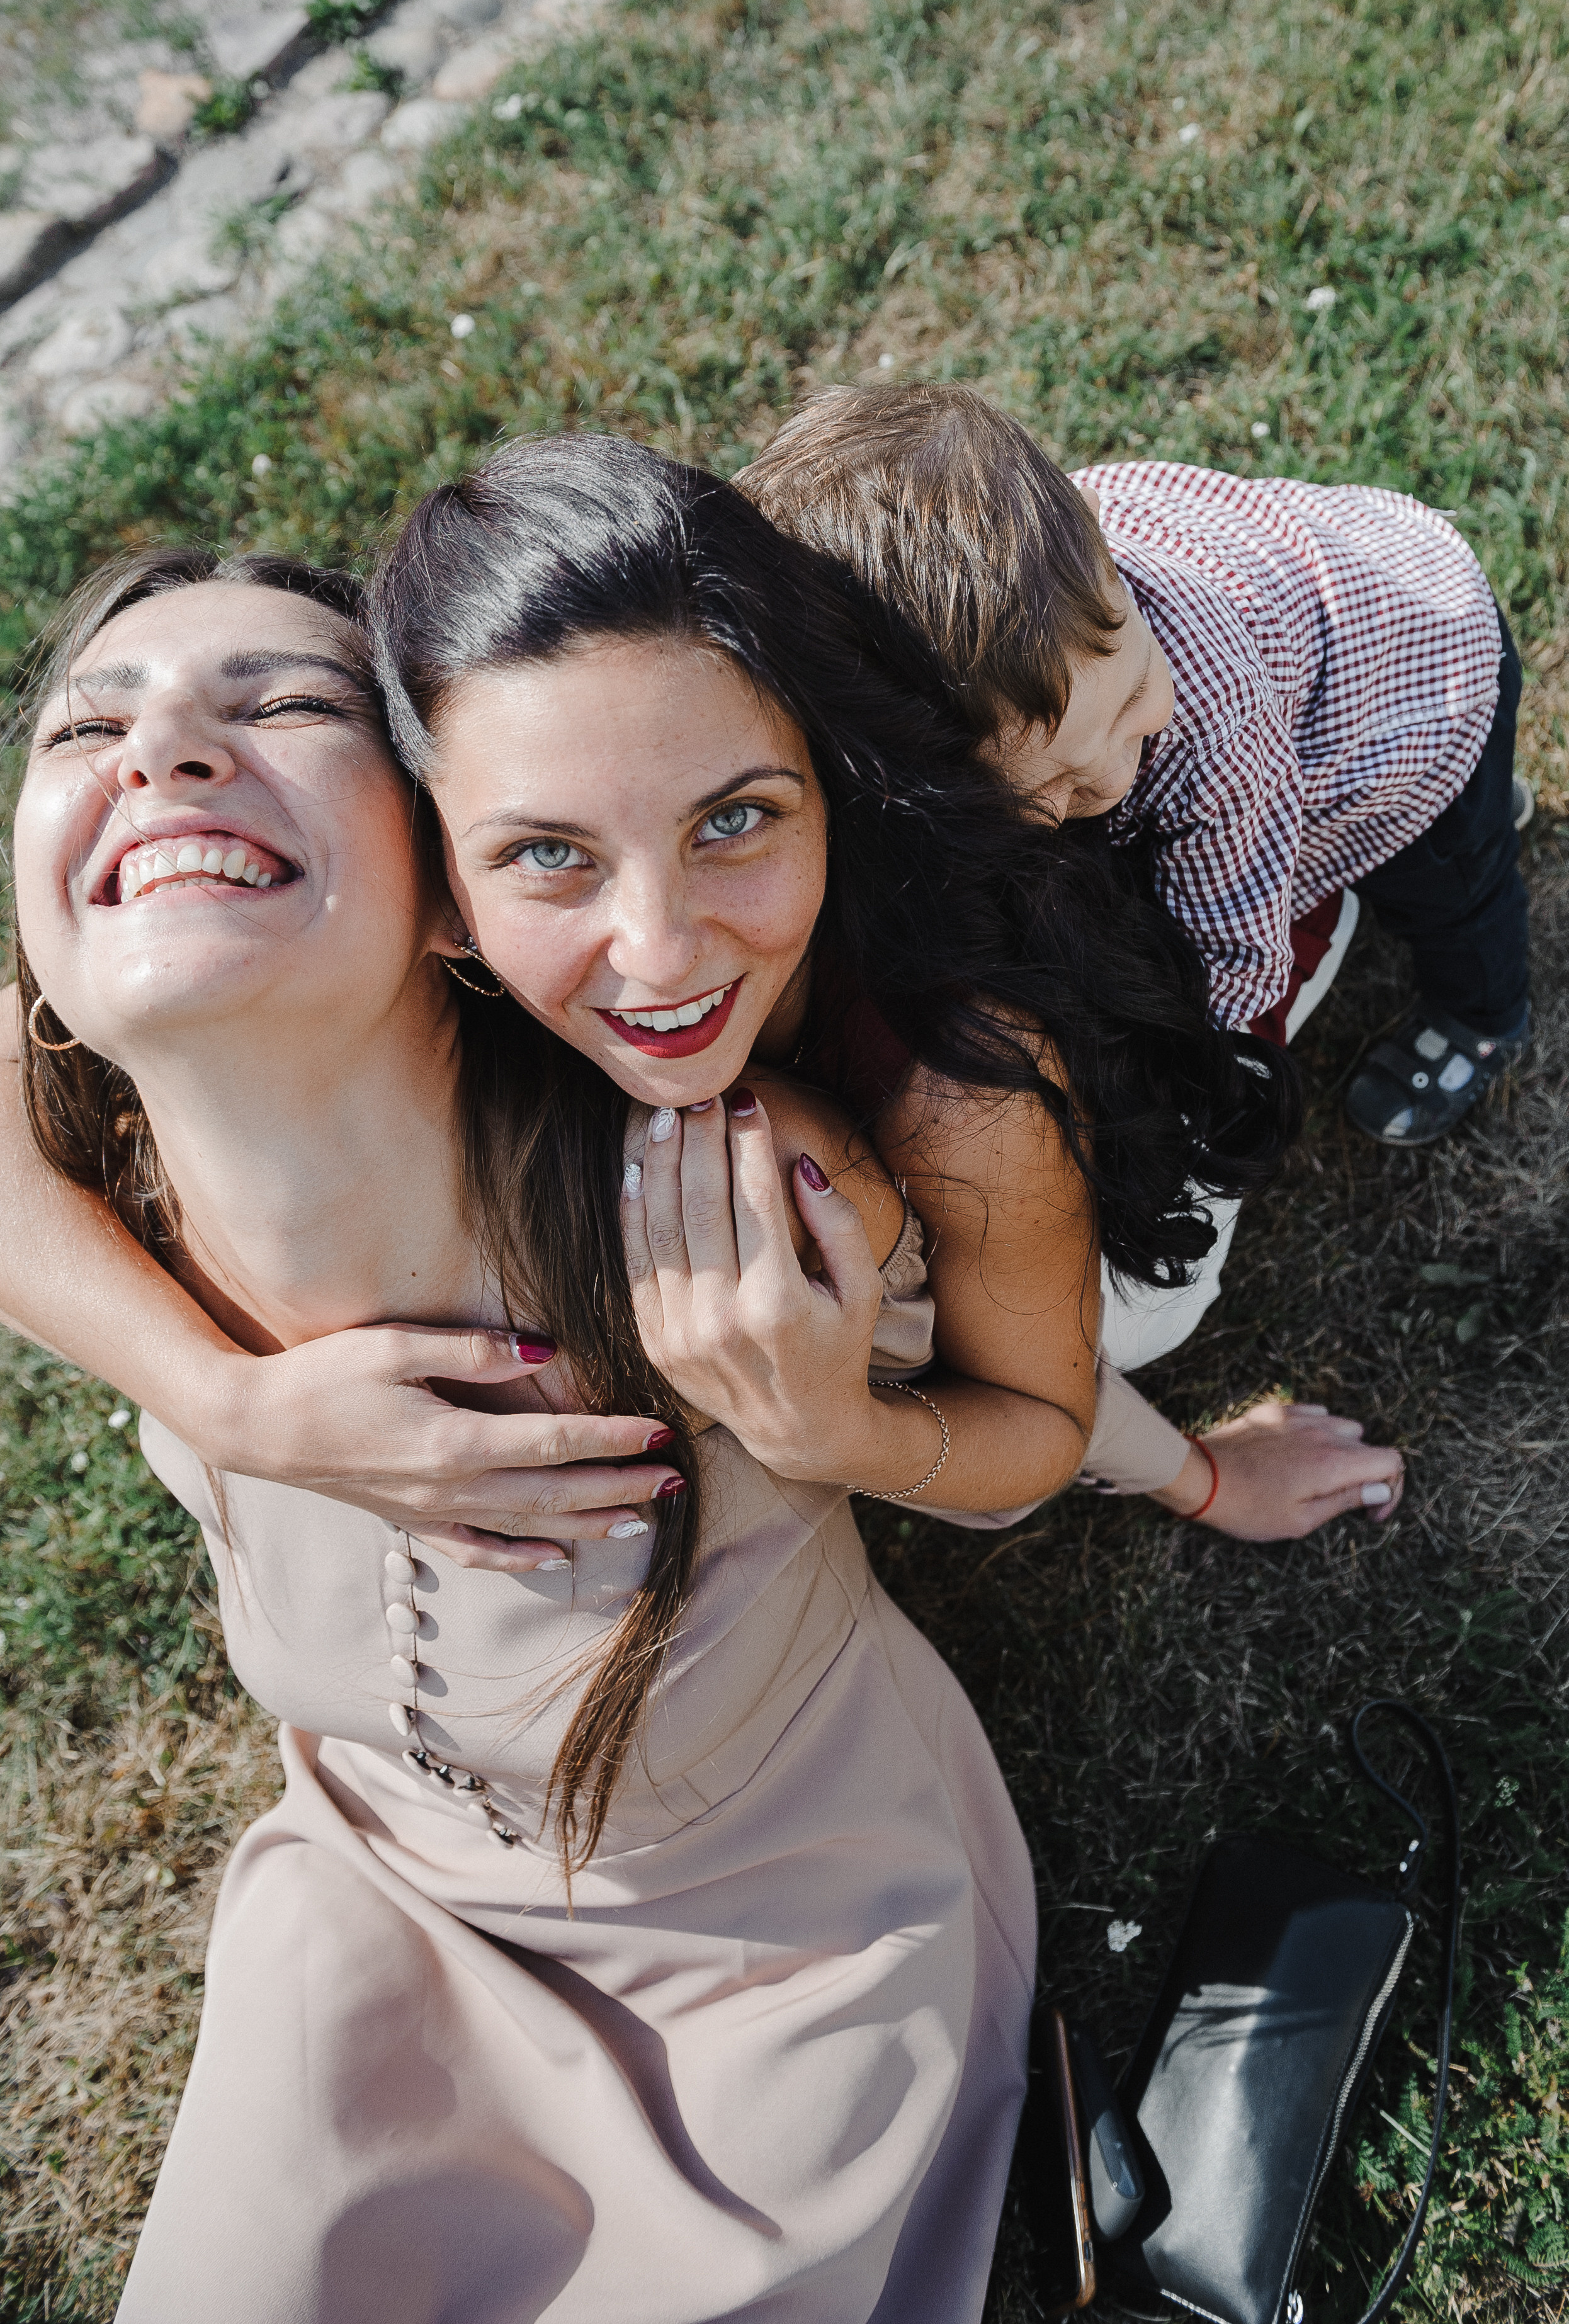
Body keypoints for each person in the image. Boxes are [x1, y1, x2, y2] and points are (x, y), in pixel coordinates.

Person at [13, 547, 1036, 2321]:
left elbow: (1005, 1404)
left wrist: (881, 1426)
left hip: (771, 1940)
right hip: (376, 1902)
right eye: (85, 727)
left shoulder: (730, 1201)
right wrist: (225, 1397)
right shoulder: (102, 1182)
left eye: (283, 704)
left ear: (457, 888)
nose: (159, 751)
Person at [0, 441, 1403, 1543]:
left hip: (1095, 1137)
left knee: (1129, 1308)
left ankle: (1320, 935)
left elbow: (1039, 1409)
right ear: (433, 880)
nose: (661, 954)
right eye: (547, 854)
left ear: (831, 795)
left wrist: (848, 1432)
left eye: (735, 820)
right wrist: (217, 1400)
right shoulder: (359, 957)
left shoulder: (952, 1077)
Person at [735, 378, 1529, 1364]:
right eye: (1055, 784)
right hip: (1351, 612)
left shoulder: (1214, 720)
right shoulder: (1052, 585)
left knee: (1456, 881)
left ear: (1108, 551)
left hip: (1427, 694)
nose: (1113, 774)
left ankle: (1486, 1014)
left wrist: (1187, 1079)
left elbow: (1238, 950)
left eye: (1132, 699)